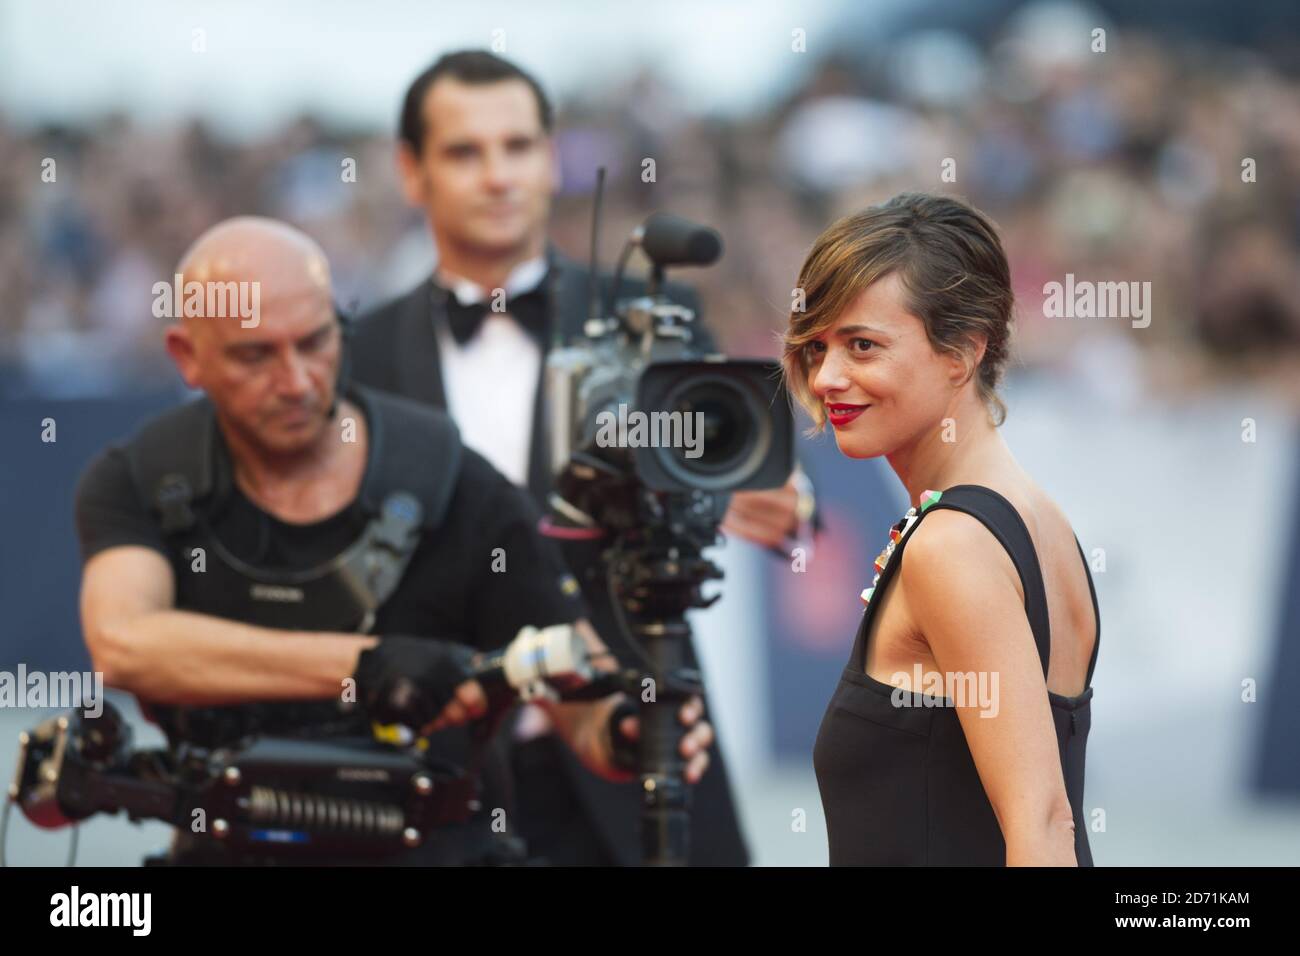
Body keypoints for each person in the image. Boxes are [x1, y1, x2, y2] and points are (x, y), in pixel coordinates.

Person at [73, 216, 713, 866]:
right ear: (187, 356)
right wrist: (368, 665)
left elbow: (575, 683)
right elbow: (125, 644)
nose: (296, 381)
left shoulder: (453, 478)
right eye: (255, 355)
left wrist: (625, 732)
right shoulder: (142, 478)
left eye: (316, 342)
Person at [349, 50, 817, 866]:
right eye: (465, 151)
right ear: (410, 170)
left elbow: (736, 462)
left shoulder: (654, 314)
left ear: (551, 157)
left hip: (638, 749)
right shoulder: (358, 351)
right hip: (427, 773)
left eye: (519, 146)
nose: (498, 175)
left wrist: (776, 499)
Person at [785, 193, 1100, 866]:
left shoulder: (954, 544)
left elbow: (1043, 829)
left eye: (862, 345)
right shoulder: (1040, 521)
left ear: (962, 352)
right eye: (817, 346)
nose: (828, 377)